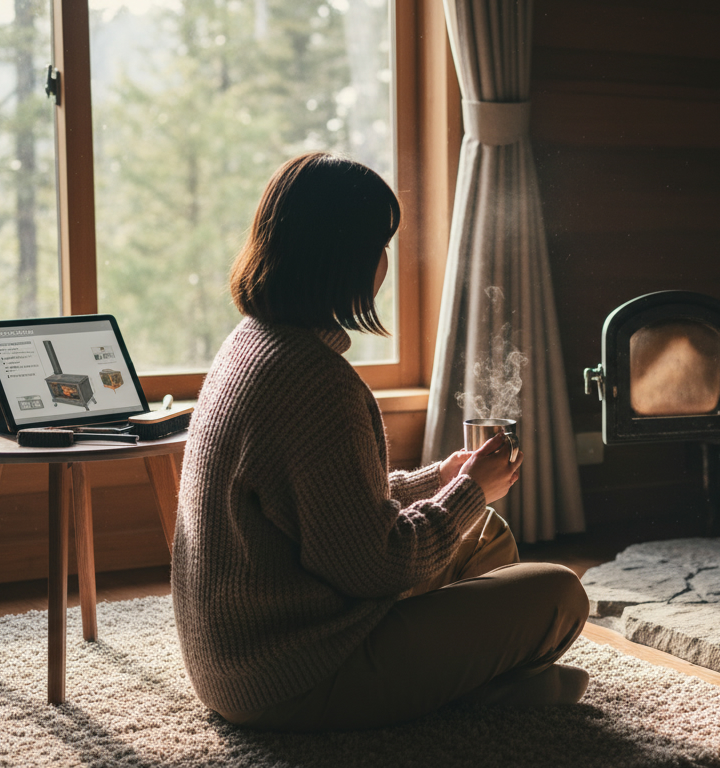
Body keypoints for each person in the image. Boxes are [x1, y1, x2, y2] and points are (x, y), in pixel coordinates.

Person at [171, 151, 589, 731]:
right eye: (380, 244)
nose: (386, 262)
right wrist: (469, 492)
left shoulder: (253, 343)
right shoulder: (315, 383)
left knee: (483, 531)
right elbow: (374, 567)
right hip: (294, 678)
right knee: (559, 593)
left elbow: (323, 506)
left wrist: (439, 481)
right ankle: (489, 687)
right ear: (346, 255)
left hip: (240, 662)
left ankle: (492, 682)